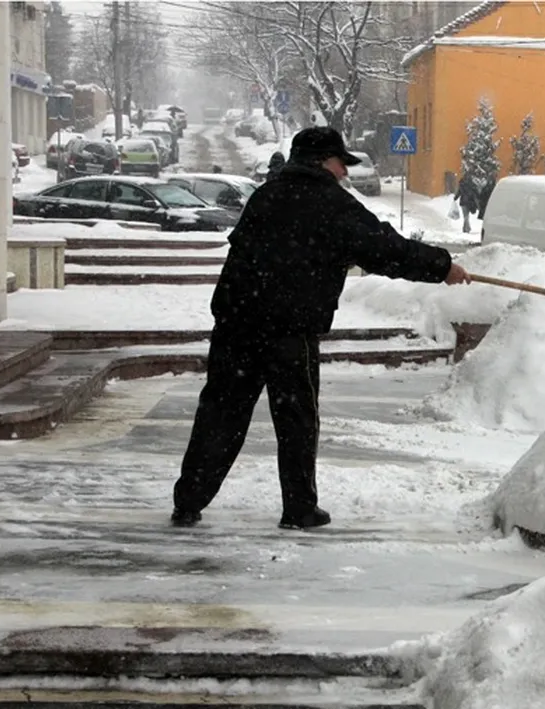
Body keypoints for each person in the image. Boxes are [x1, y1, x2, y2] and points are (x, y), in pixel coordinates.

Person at [170, 126, 471, 530]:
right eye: (340, 163)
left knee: (221, 414)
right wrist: (441, 266)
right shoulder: (331, 204)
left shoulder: (266, 195)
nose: (345, 172)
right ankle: (299, 508)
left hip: (237, 324)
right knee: (296, 420)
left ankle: (189, 500)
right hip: (289, 331)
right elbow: (384, 248)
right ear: (322, 161)